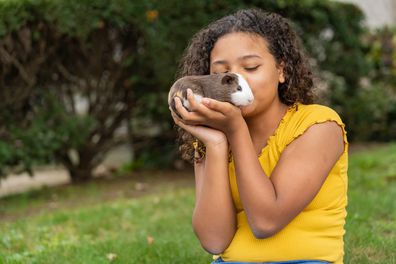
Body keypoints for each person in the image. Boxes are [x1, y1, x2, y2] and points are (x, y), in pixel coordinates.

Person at [170, 8, 348, 264]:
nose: (237, 80)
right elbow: (214, 241)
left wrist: (236, 130)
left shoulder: (319, 126)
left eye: (251, 67)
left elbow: (266, 222)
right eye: (222, 73)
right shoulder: (212, 137)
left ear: (281, 70)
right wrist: (217, 144)